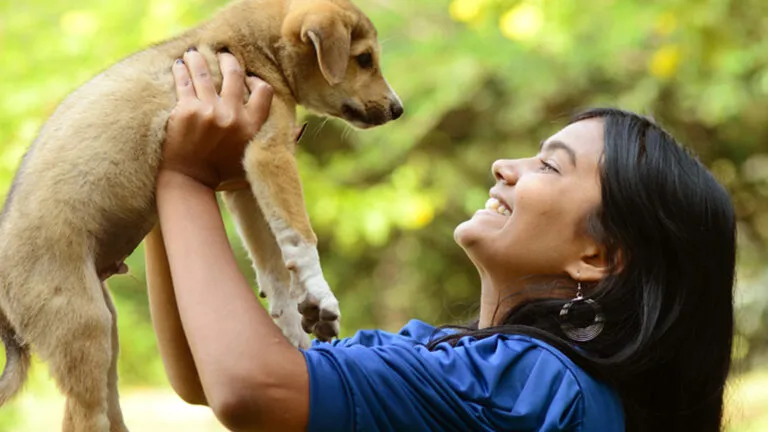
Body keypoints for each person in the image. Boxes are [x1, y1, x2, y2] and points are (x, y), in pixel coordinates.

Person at [144, 49, 736, 432]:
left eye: (549, 168)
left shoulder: (534, 382)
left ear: (597, 256)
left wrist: (184, 175)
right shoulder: (456, 361)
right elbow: (206, 373)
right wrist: (163, 191)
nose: (506, 165)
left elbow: (252, 387)